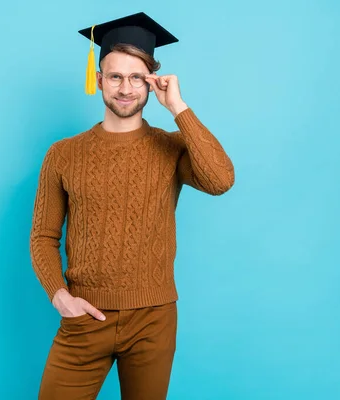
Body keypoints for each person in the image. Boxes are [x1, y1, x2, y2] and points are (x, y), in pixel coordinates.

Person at [29, 12, 235, 400]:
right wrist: (60, 296)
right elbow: (43, 235)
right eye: (116, 76)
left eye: (136, 77)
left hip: (153, 321)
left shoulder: (171, 147)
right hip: (84, 320)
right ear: (98, 79)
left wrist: (178, 108)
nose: (126, 88)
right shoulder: (62, 154)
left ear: (151, 82)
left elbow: (221, 179)